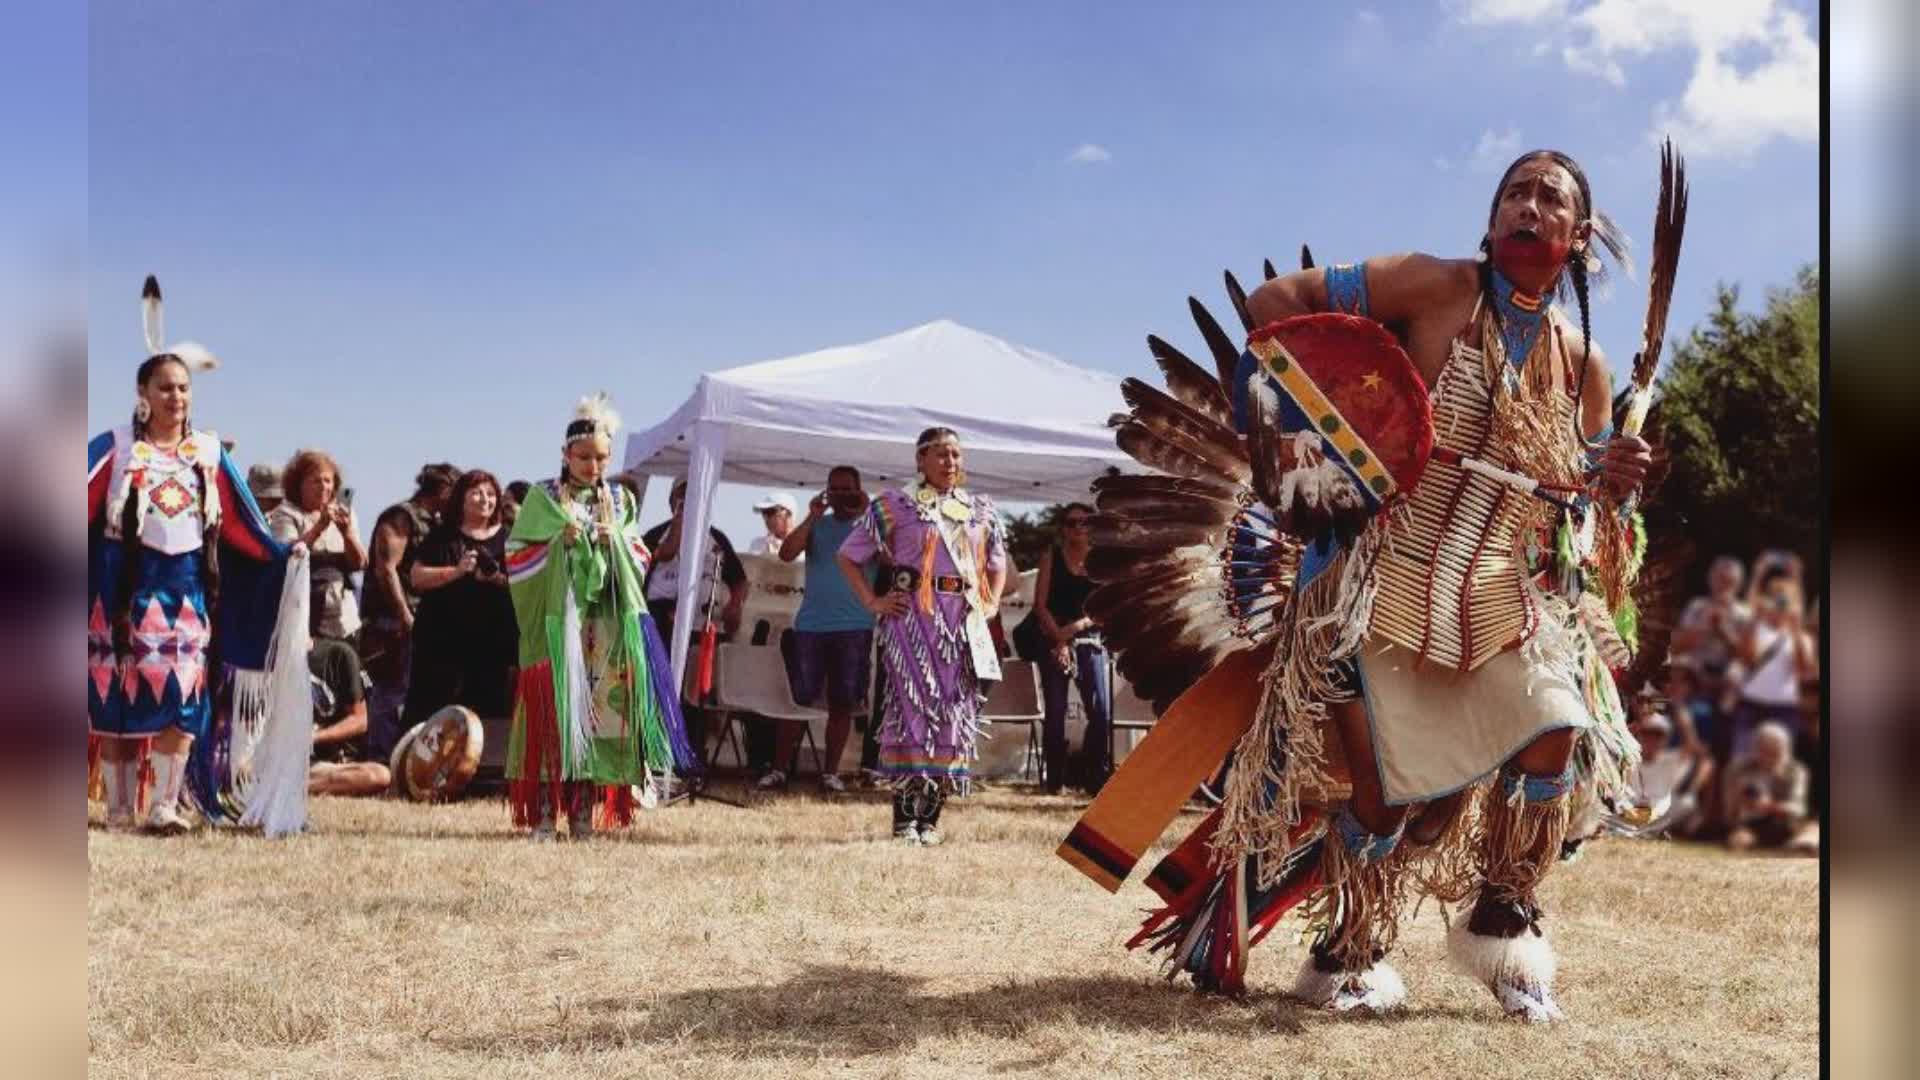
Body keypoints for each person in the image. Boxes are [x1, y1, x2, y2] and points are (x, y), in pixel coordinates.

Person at [1064, 149, 1655, 1020]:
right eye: (1514, 193)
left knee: (1557, 730)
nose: (1529, 207)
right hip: (1376, 580)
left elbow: (1579, 500)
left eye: (1551, 198)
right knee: (1383, 796)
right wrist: (1333, 439)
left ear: (1578, 236)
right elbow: (1276, 309)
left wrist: (1614, 475)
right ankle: (1348, 952)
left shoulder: (1583, 364)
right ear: (1492, 221)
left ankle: (1506, 926)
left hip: (1496, 593)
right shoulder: (1429, 286)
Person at [87, 276, 313, 836]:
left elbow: (241, 524)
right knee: (116, 694)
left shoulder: (206, 454)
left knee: (182, 692)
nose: (177, 397)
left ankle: (165, 804)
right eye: (165, 387)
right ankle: (118, 809)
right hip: (119, 592)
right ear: (143, 394)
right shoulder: (116, 448)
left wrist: (283, 556)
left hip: (186, 592)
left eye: (184, 388)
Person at [505, 393, 697, 840]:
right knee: (554, 713)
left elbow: (639, 553)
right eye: (585, 457)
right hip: (557, 625)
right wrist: (558, 542)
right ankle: (542, 818)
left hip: (604, 627)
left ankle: (581, 816)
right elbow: (517, 555)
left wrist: (614, 542)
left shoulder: (619, 500)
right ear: (566, 455)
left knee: (596, 718)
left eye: (602, 458)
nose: (594, 466)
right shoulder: (543, 497)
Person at [837, 427, 1009, 845]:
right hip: (912, 621)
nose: (950, 462)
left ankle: (930, 821)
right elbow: (848, 556)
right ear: (920, 460)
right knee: (912, 715)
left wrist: (992, 603)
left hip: (961, 625)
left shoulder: (980, 510)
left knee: (953, 717)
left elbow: (997, 563)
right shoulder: (895, 505)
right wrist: (875, 602)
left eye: (955, 455)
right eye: (940, 454)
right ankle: (903, 821)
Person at [761, 467, 874, 793]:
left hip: (855, 625)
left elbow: (892, 559)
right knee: (796, 701)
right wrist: (812, 515)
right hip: (811, 626)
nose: (841, 495)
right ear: (826, 491)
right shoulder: (818, 525)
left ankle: (830, 773)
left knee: (842, 703)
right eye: (834, 489)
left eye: (847, 489)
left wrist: (868, 514)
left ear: (859, 490)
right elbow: (786, 553)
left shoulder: (871, 527)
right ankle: (780, 769)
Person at [641, 477, 749, 759]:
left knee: (696, 692)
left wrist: (735, 605)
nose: (687, 501)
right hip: (662, 619)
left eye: (694, 495)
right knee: (661, 688)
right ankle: (657, 754)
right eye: (681, 495)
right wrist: (679, 523)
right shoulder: (655, 534)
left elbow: (739, 580)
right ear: (671, 499)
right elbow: (661, 557)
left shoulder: (716, 537)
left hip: (703, 623)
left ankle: (691, 755)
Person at [360, 463, 460, 762]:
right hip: (393, 623)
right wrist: (405, 616)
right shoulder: (401, 518)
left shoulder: (436, 522)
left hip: (418, 620)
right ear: (442, 488)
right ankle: (380, 762)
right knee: (390, 695)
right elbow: (385, 569)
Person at [405, 469, 518, 726]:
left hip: (494, 644)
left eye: (490, 494)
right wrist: (457, 571)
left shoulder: (511, 538)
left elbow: (525, 584)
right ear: (462, 498)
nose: (484, 499)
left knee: (491, 716)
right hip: (442, 645)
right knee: (435, 716)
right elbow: (417, 577)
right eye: (477, 492)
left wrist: (496, 579)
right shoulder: (442, 535)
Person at [1024, 503, 1112, 795]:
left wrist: (1073, 631)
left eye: (1085, 522)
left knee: (1100, 711)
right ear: (1064, 528)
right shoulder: (1052, 557)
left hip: (1088, 636)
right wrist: (1059, 639)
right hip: (1053, 635)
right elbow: (1040, 605)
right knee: (1056, 710)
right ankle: (1054, 782)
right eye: (1072, 522)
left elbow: (1103, 609)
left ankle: (1093, 776)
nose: (1078, 527)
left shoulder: (1102, 561)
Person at [268, 449, 367, 643]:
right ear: (299, 485)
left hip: (343, 618)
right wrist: (319, 527)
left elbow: (359, 564)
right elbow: (286, 556)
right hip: (303, 618)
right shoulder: (286, 514)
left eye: (327, 480)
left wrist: (347, 533)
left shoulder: (345, 514)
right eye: (316, 481)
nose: (323, 487)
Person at [1728, 572, 1817, 760]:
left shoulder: (1802, 637)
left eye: (1785, 600)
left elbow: (1804, 670)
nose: (1780, 605)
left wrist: (1795, 629)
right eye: (1775, 598)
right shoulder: (1754, 629)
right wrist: (1755, 619)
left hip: (1784, 708)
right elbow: (1747, 660)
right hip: (1750, 704)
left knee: (1779, 764)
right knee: (1741, 760)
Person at [306, 637, 390, 797]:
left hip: (318, 765)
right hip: (274, 758)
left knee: (378, 776)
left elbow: (360, 720)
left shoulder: (337, 655)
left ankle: (297, 785)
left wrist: (311, 737)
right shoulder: (260, 661)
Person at [1721, 721, 1817, 854]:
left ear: (1786, 750)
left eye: (1775, 752)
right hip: (1752, 825)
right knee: (1738, 840)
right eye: (1764, 751)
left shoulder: (1797, 771)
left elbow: (1798, 808)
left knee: (1813, 831)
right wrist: (1740, 800)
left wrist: (1770, 806)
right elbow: (1729, 815)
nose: (1769, 758)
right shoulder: (1737, 769)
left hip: (1787, 823)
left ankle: (1797, 846)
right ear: (1755, 748)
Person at [749, 492, 799, 557]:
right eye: (764, 513)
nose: (766, 518)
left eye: (770, 512)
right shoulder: (758, 544)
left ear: (788, 514)